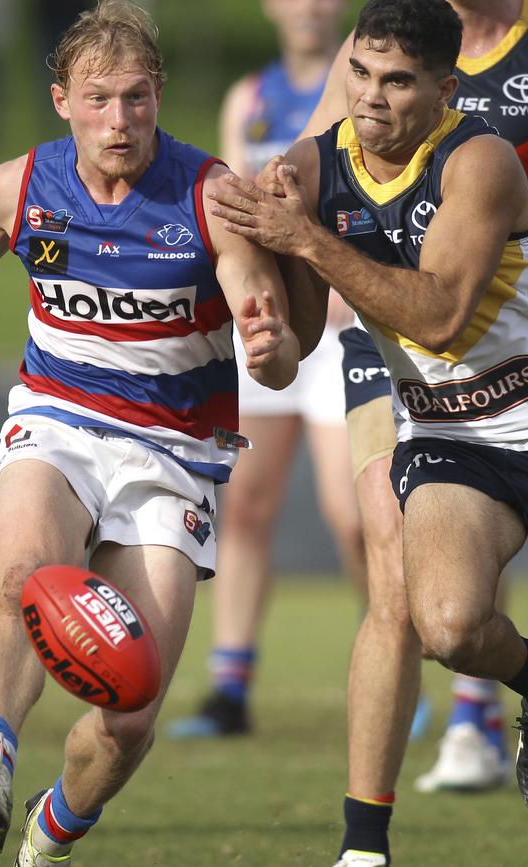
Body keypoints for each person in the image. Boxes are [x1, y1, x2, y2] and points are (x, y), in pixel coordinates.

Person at [208, 1, 528, 864]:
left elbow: (438, 316)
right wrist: (267, 341)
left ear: (445, 90)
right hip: (444, 432)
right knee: (445, 625)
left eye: (397, 82)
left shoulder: (481, 162)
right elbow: (294, 346)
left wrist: (309, 241)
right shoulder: (312, 170)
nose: (369, 98)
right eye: (359, 74)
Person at [0, 1, 303, 862]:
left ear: (159, 93)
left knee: (130, 713)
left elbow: (271, 352)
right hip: (57, 420)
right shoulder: (16, 191)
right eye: (97, 100)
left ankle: (49, 834)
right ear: (61, 101)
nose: (117, 121)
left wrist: (268, 348)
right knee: (20, 576)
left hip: (172, 456)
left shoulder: (212, 197)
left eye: (134, 98)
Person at [166, 0, 366, 740]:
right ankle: (230, 687)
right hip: (264, 323)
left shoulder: (365, 83)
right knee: (243, 507)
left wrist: (349, 283)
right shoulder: (248, 98)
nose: (309, 7)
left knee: (354, 517)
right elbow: (227, 216)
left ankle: (395, 671)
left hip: (343, 328)